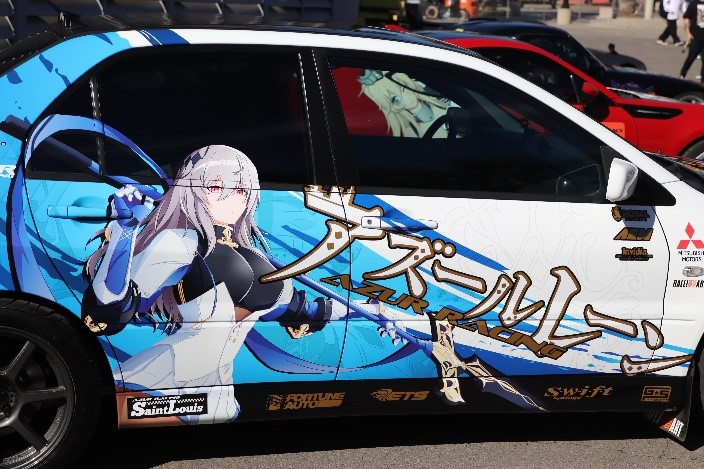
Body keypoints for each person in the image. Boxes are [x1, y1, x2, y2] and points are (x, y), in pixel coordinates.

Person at [82, 144, 336, 423]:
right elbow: (108, 310)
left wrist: (371, 309)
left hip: (218, 399)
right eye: (215, 187)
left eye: (240, 190)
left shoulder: (255, 256)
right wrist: (124, 231)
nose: (230, 197)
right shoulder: (180, 242)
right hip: (155, 386)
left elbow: (306, 312)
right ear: (190, 190)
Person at [679, 0, 704, 81]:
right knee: (691, 58)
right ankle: (682, 74)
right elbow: (687, 18)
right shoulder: (693, 4)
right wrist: (688, 33)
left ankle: (702, 80)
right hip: (695, 37)